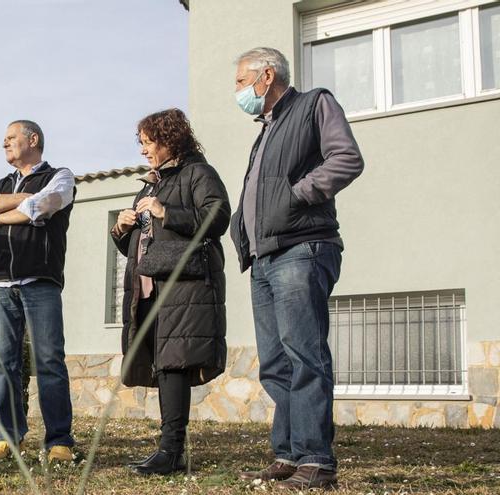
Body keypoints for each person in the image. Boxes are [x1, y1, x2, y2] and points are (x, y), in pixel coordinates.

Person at [230, 47, 364, 490]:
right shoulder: (265, 129)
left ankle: (316, 460)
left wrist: (297, 195)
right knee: (275, 363)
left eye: (240, 82)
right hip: (265, 257)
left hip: (302, 248)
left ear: (265, 76)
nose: (238, 91)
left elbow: (346, 158)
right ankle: (288, 454)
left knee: (304, 354)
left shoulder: (313, 104)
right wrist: (241, 228)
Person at [111, 108, 231, 475]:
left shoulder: (198, 173)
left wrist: (167, 211)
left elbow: (218, 216)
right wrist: (121, 228)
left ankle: (172, 450)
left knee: (174, 365)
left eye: (149, 143)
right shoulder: (153, 182)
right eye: (143, 143)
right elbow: (142, 244)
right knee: (165, 366)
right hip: (149, 286)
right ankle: (168, 449)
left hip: (183, 286)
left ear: (169, 139)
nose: (144, 150)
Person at [0, 120, 76, 463]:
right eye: (3, 140)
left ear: (33, 140)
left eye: (11, 138)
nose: (4, 144)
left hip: (40, 282)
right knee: (3, 364)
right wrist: (18, 200)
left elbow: (43, 207)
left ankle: (59, 441)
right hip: (0, 282)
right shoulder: (2, 183)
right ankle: (7, 438)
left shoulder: (61, 176)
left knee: (48, 362)